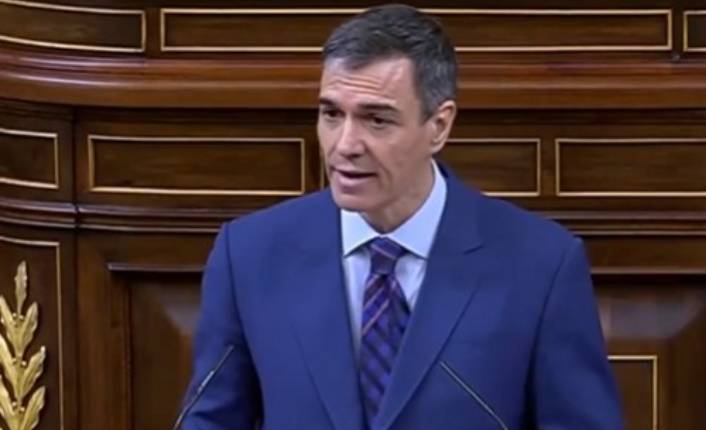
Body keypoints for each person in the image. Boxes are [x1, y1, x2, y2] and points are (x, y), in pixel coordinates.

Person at [179, 4, 623, 429]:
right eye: (332, 114)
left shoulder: (542, 266)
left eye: (377, 121)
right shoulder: (250, 255)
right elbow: (211, 420)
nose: (345, 145)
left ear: (439, 126)